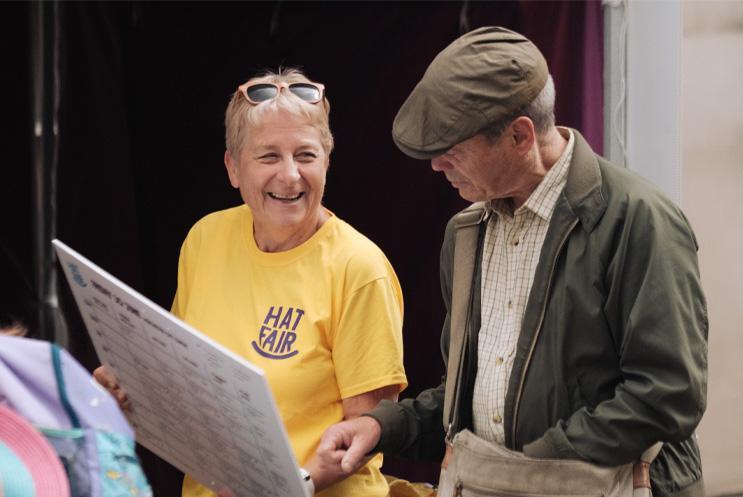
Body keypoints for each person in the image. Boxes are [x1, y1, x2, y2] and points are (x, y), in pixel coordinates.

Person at [318, 26, 708, 497]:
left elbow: (669, 395)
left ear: (520, 136)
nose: (438, 167)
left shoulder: (637, 220)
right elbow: (470, 395)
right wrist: (383, 427)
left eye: (453, 152)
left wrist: (536, 464)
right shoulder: (465, 233)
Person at [95, 68, 407, 497]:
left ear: (328, 161)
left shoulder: (359, 269)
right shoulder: (205, 239)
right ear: (233, 168)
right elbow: (179, 379)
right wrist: (130, 388)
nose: (290, 175)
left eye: (306, 155)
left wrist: (283, 486)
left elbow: (369, 433)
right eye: (268, 157)